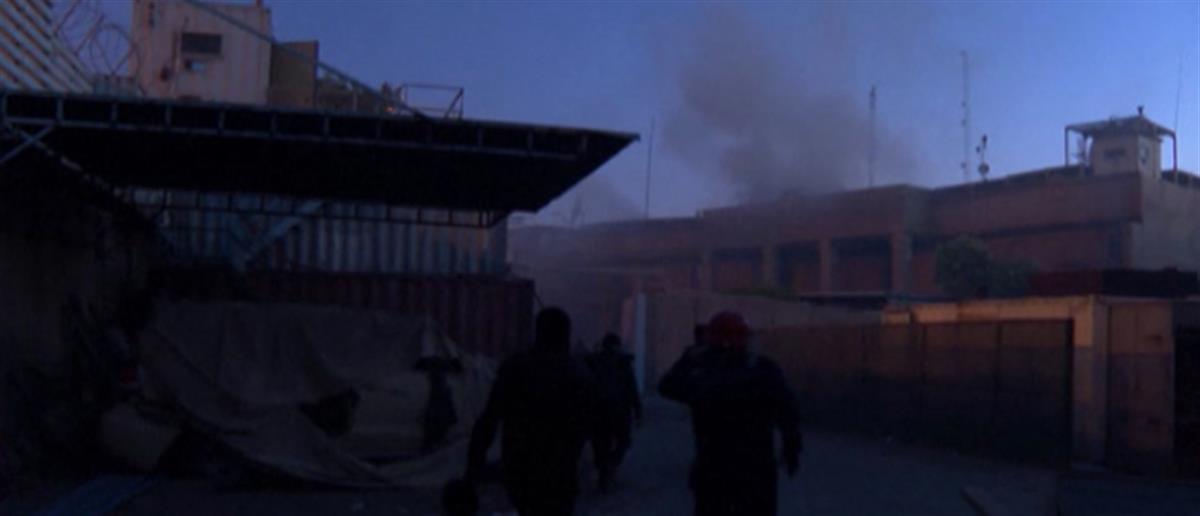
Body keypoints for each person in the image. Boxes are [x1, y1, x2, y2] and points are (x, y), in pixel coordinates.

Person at [659, 311, 802, 516]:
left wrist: (688, 358)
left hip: (714, 467)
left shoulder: (703, 370)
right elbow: (787, 408)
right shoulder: (762, 368)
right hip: (754, 469)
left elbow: (668, 386)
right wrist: (792, 444)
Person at [466, 307, 596, 516]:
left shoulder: (515, 368)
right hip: (561, 471)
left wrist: (473, 467)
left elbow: (489, 420)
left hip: (520, 468)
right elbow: (590, 425)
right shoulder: (579, 374)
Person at [584, 333, 642, 493]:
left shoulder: (593, 362)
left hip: (599, 411)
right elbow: (632, 389)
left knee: (601, 443)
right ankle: (608, 468)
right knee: (621, 442)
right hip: (618, 411)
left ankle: (605, 472)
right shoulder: (623, 363)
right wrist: (638, 411)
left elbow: (586, 387)